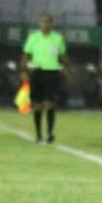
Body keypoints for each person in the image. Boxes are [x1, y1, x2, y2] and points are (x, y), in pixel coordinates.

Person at [20, 13, 68, 144]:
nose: (45, 24)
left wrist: (68, 67)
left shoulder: (57, 38)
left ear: (52, 24)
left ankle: (50, 133)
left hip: (52, 73)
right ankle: (38, 134)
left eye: (47, 22)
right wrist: (24, 70)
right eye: (42, 21)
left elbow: (63, 55)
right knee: (36, 105)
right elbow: (26, 55)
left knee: (50, 104)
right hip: (37, 72)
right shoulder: (33, 37)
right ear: (39, 23)